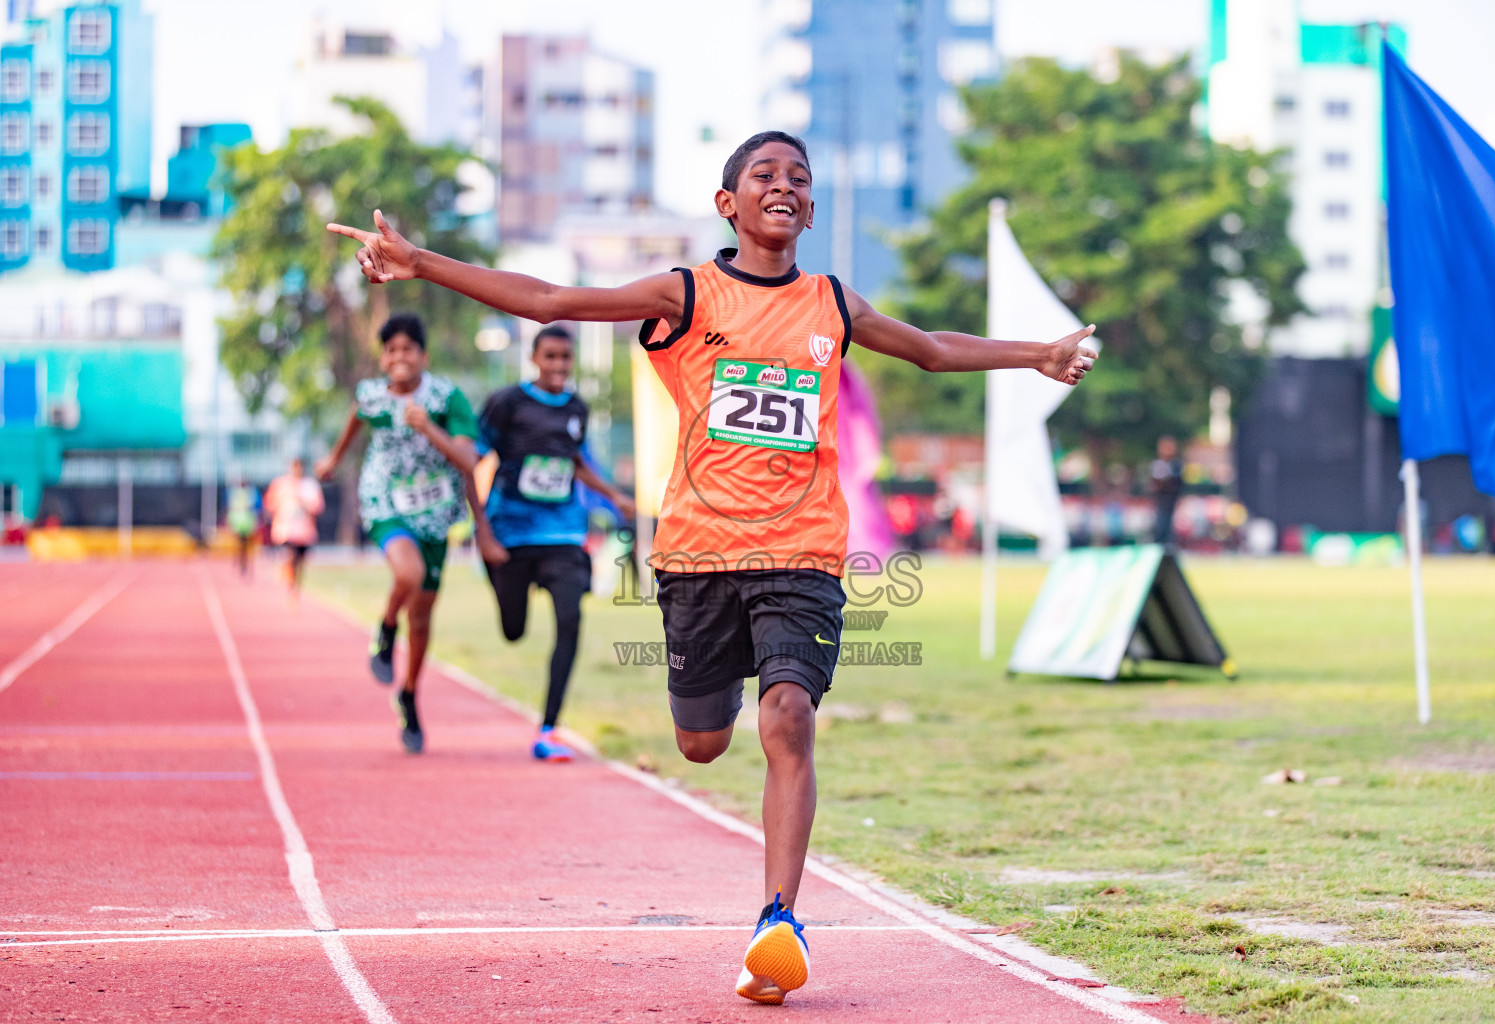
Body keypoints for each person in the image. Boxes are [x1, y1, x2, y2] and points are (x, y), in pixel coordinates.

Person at [327, 130, 1097, 1003]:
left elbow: (924, 345)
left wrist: (1035, 355)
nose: (785, 185)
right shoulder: (686, 294)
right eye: (764, 175)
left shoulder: (832, 304)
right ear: (729, 204)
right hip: (698, 557)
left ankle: (778, 921)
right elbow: (548, 298)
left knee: (790, 718)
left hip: (802, 552)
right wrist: (421, 263)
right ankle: (728, 703)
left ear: (810, 208)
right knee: (701, 743)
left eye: (800, 178)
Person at [315, 312, 505, 754]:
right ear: (383, 359)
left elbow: (468, 462)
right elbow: (354, 421)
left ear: (424, 356)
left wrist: (428, 428)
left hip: (437, 513)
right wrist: (332, 460)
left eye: (408, 349)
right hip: (385, 500)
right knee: (408, 574)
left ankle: (408, 693)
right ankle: (384, 630)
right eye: (392, 350)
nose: (400, 357)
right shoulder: (373, 397)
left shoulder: (445, 398)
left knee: (421, 618)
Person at [476, 324, 637, 762]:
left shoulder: (577, 408)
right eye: (550, 357)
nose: (559, 366)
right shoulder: (506, 403)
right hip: (510, 535)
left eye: (565, 358)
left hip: (563, 532)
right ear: (534, 359)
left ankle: (549, 728)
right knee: (513, 630)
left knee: (570, 618)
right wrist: (481, 530)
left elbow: (574, 462)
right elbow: (471, 457)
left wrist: (613, 495)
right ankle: (502, 587)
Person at [264, 458, 326, 598]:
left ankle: (295, 586)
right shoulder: (280, 484)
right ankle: (289, 580)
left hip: (305, 532)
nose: (297, 470)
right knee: (290, 556)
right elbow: (270, 503)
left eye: (300, 467)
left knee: (300, 562)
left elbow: (318, 507)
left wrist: (303, 502)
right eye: (294, 467)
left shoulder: (310, 486)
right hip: (286, 531)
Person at [1148, 435, 1185, 548]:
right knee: (1161, 529)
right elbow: (1155, 485)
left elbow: (1178, 484)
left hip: (1172, 503)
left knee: (1171, 531)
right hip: (1161, 503)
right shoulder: (1158, 464)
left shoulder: (1176, 465)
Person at [225, 476, 260, 578]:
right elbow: (231, 508)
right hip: (238, 523)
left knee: (248, 546)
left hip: (249, 523)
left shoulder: (252, 493)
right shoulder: (235, 493)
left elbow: (257, 508)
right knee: (239, 545)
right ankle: (239, 563)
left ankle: (248, 565)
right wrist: (231, 522)